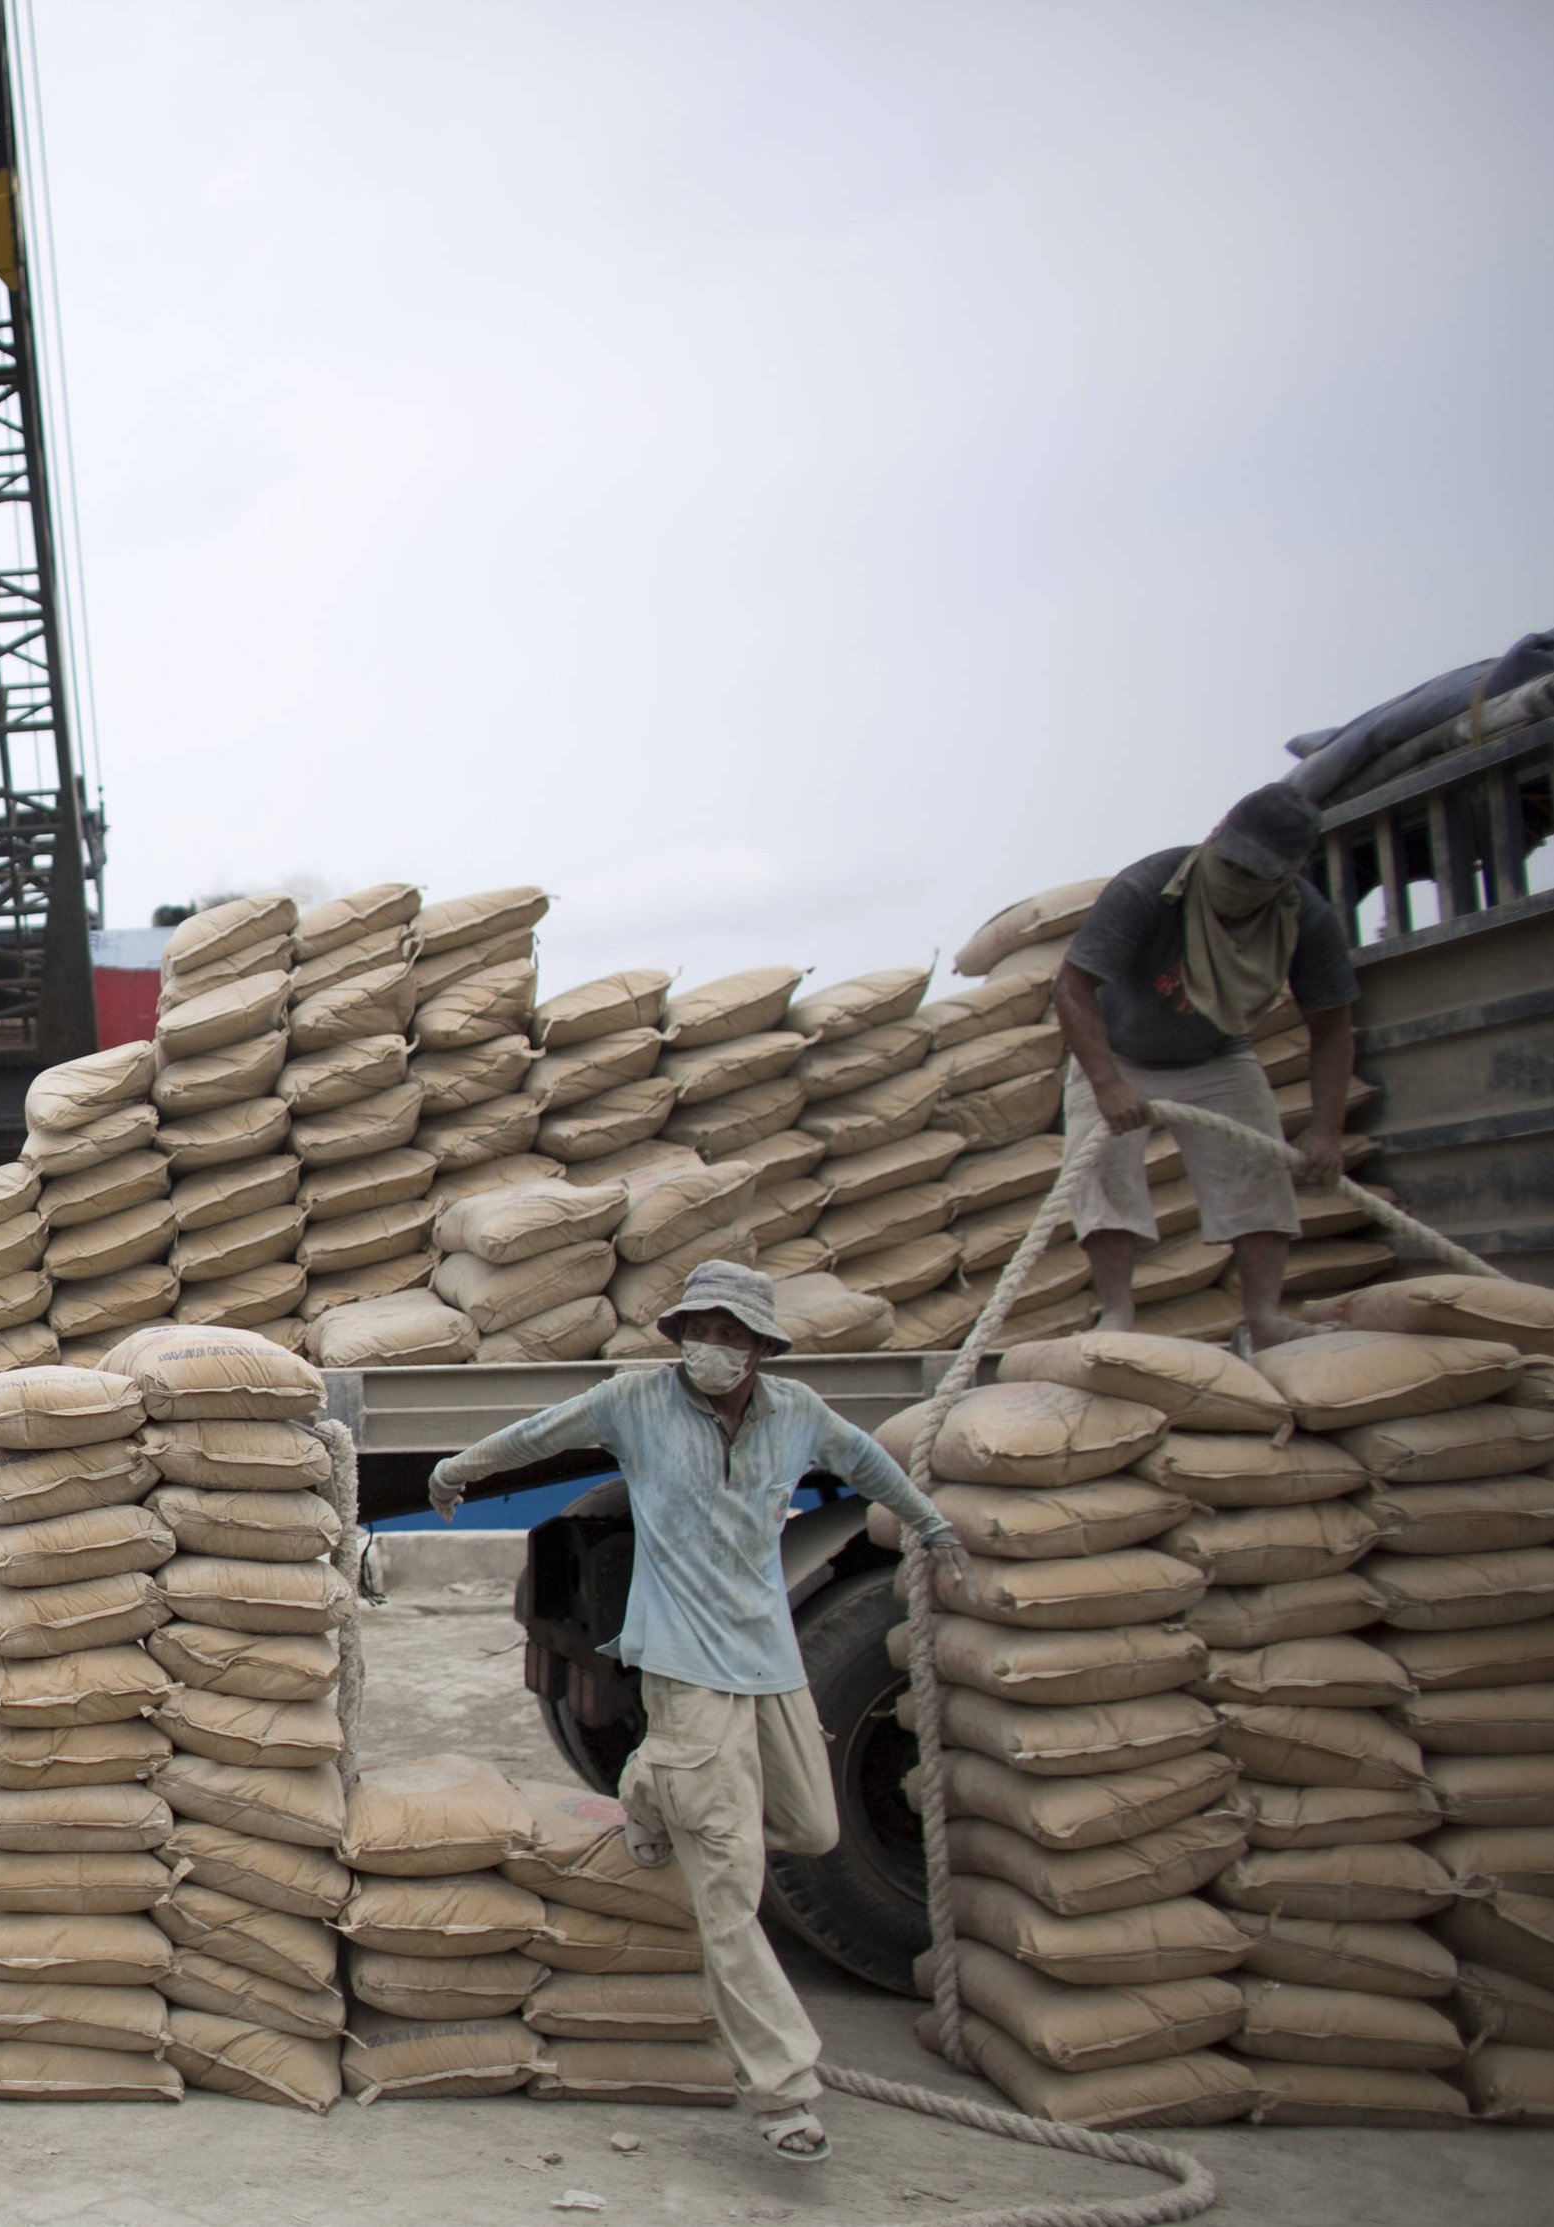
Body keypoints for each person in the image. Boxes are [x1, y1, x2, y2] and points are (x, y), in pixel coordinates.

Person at [426, 1260, 968, 2165]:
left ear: (760, 1347)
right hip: (682, 1665)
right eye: (700, 1331)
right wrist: (455, 1471)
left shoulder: (796, 1413)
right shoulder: (636, 1401)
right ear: (681, 1337)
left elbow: (869, 1460)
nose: (712, 1347)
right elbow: (539, 1432)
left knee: (812, 1825)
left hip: (768, 1660)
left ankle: (648, 1784)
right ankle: (783, 2090)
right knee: (729, 1881)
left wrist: (932, 1525)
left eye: (730, 1334)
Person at [1052, 783, 1356, 1349]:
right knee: (1101, 1172)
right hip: (1119, 1051)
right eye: (1229, 864)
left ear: (1289, 874)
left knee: (1257, 1172)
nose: (1235, 881)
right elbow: (1072, 986)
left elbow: (1332, 1025)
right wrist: (1107, 1082)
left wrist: (1327, 1129)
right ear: (1215, 836)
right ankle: (1117, 1311)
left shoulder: (1306, 920)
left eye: (1253, 875)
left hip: (1221, 1055)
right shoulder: (1148, 887)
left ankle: (1264, 1316)